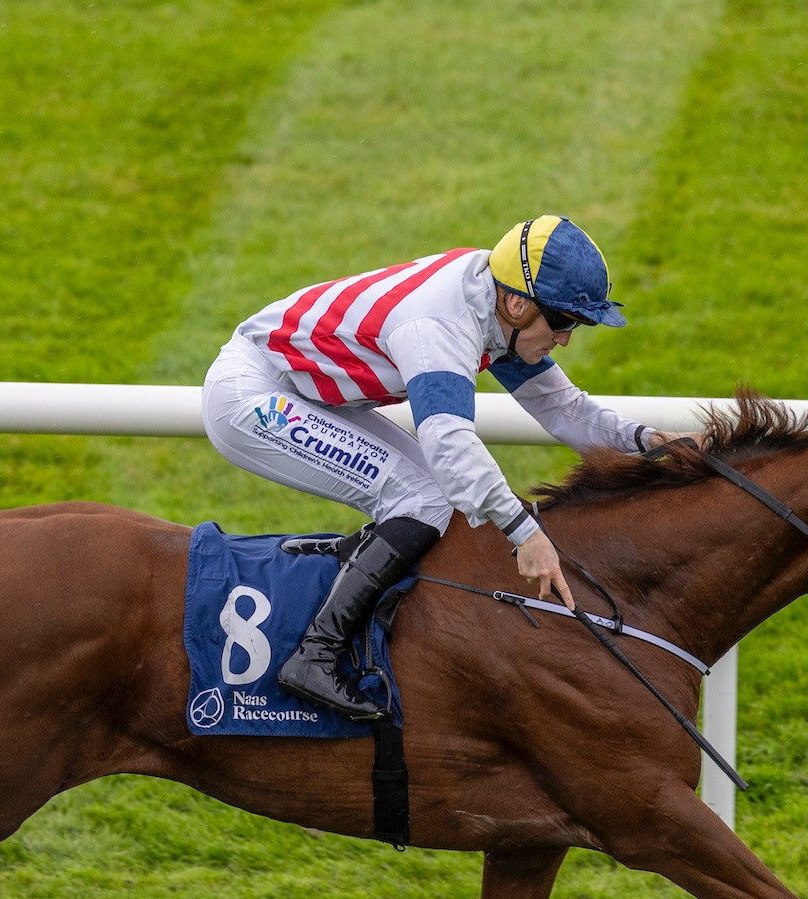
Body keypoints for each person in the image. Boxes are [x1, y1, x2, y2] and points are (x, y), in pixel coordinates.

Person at [201, 214, 685, 721]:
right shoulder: (440, 325)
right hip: (253, 397)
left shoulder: (497, 307)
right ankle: (314, 658)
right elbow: (450, 441)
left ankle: (352, 576)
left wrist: (646, 440)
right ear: (518, 303)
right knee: (425, 498)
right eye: (564, 321)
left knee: (428, 497)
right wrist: (526, 533)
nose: (566, 339)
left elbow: (564, 410)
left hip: (301, 390)